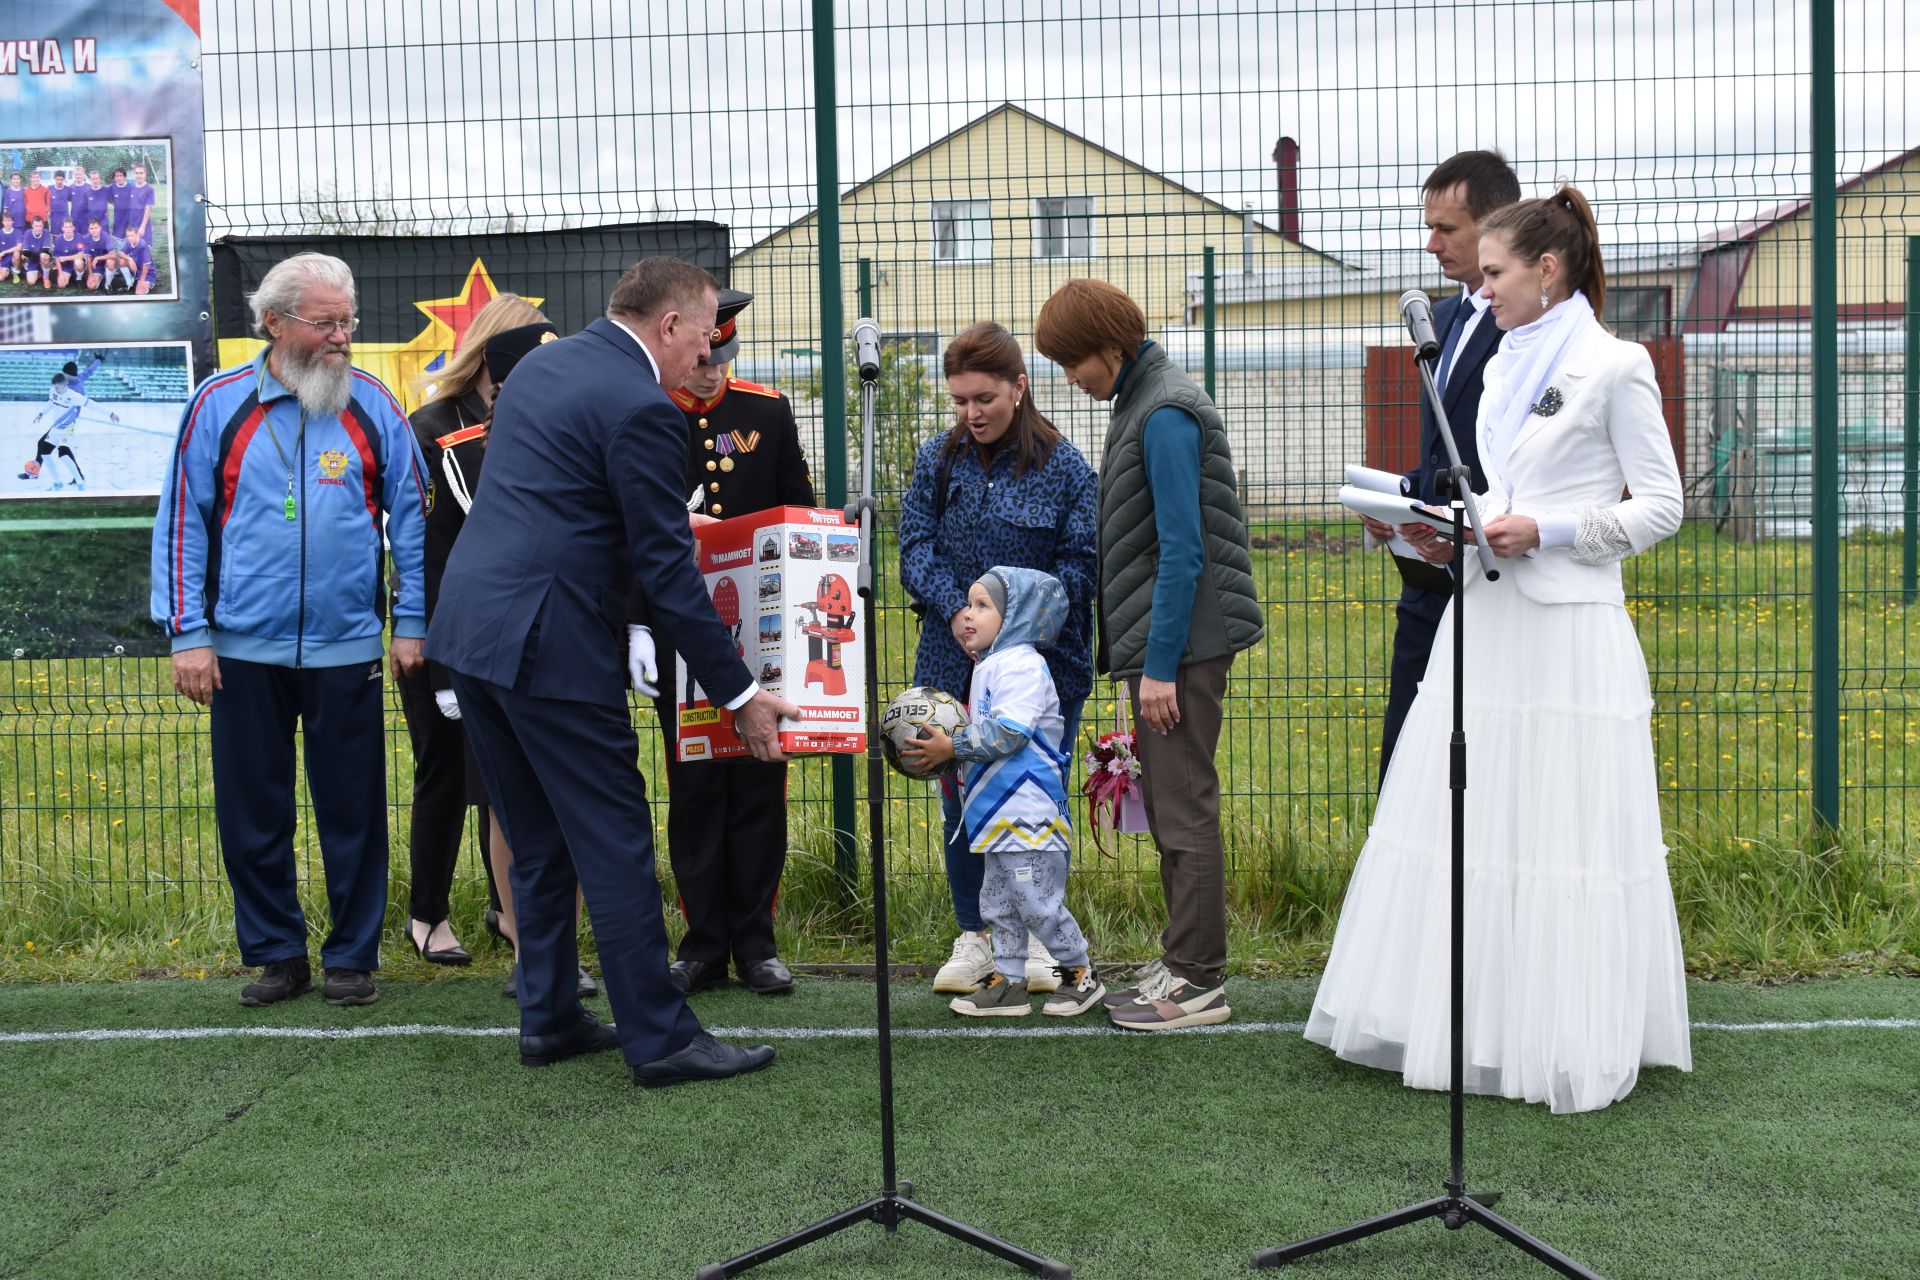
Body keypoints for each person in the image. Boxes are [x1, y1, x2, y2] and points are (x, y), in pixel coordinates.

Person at [1305, 186, 1693, 1114]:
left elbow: (1663, 505)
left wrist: (1547, 530)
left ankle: (1560, 1036)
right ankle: (1472, 1025)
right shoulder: (1498, 360)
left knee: (1558, 832)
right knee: (1469, 820)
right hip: (1482, 615)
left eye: (1492, 274)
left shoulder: (1616, 364)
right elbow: (1491, 487)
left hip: (1566, 631)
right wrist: (1445, 529)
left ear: (1546, 269)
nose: (1477, 293)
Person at [428, 256, 790, 1085]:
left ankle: (550, 1015)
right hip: (546, 640)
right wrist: (739, 694)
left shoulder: (546, 363)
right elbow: (666, 573)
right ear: (668, 326)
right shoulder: (640, 407)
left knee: (538, 835)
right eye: (704, 332)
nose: (710, 349)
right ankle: (660, 1038)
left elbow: (563, 501)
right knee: (616, 838)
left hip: (476, 631)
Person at [149, 251, 430, 1009]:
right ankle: (276, 952)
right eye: (325, 322)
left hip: (346, 649)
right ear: (273, 322)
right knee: (253, 809)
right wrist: (188, 634)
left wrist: (411, 621)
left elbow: (411, 521)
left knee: (354, 809)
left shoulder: (373, 404)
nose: (342, 336)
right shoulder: (216, 406)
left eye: (348, 321)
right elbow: (183, 524)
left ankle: (352, 956)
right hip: (239, 648)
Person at [1033, 278, 1263, 1031]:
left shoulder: (1163, 412)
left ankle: (1197, 981)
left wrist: (1159, 666)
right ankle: (1183, 959)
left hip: (1183, 646)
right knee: (1168, 803)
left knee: (1183, 807)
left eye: (1074, 363)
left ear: (1110, 347)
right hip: (1170, 641)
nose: (1072, 379)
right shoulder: (1141, 398)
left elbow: (1184, 550)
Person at [899, 322, 1097, 1000]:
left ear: (1020, 386)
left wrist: (1011, 631)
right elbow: (914, 547)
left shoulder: (1066, 468)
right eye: (958, 401)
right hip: (952, 662)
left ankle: (1041, 939)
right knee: (961, 793)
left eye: (983, 398)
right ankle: (977, 936)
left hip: (1042, 672)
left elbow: (1079, 567)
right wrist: (959, 609)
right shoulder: (938, 460)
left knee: (1031, 800)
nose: (970, 414)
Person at [646, 288, 817, 998]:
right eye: (700, 359)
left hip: (762, 634)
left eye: (721, 359)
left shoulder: (765, 411)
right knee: (694, 791)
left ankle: (756, 942)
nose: (708, 372)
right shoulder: (647, 414)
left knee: (757, 786)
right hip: (679, 636)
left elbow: (799, 509)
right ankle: (702, 944)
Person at [397, 292, 548, 971]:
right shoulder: (430, 426)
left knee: (506, 780)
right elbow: (424, 545)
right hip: (441, 632)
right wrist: (436, 653)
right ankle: (427, 912)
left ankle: (506, 910)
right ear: (492, 348)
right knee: (446, 772)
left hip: (517, 633)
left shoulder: (537, 416)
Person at [1361, 152, 1520, 782]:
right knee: (1406, 767)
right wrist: (1396, 503)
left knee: (1475, 771)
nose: (1431, 245)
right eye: (1429, 227)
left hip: (1488, 581)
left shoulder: (1523, 329)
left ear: (1495, 224)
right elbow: (1443, 454)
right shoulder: (1445, 318)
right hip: (1424, 587)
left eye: (1446, 229)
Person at [901, 567, 1107, 1019]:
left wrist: (950, 745)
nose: (967, 614)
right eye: (968, 604)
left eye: (982, 606)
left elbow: (1009, 734)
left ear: (1015, 615)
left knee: (1037, 903)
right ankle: (1009, 981)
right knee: (997, 904)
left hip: (1029, 814)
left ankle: (1080, 974)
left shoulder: (1021, 663)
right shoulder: (989, 664)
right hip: (996, 817)